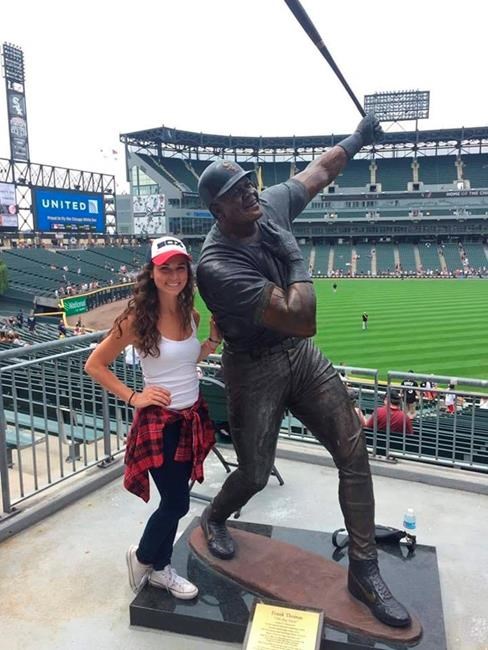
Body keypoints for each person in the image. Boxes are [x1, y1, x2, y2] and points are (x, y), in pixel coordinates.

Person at [196, 114, 411, 628]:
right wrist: (291, 250)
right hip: (255, 368)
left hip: (298, 358)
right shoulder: (216, 265)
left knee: (352, 451)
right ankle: (213, 516)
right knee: (251, 473)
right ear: (217, 208)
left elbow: (320, 169)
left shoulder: (268, 205)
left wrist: (360, 137)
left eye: (249, 182)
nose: (249, 191)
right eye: (235, 190)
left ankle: (364, 569)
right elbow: (303, 317)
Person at [85, 236, 219, 600]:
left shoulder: (190, 314)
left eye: (180, 267)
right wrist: (134, 397)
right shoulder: (135, 320)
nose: (174, 275)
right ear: (152, 272)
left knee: (176, 498)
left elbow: (186, 363)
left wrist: (210, 345)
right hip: (160, 425)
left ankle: (161, 569)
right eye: (165, 268)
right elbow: (95, 364)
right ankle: (143, 557)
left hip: (191, 417)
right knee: (177, 502)